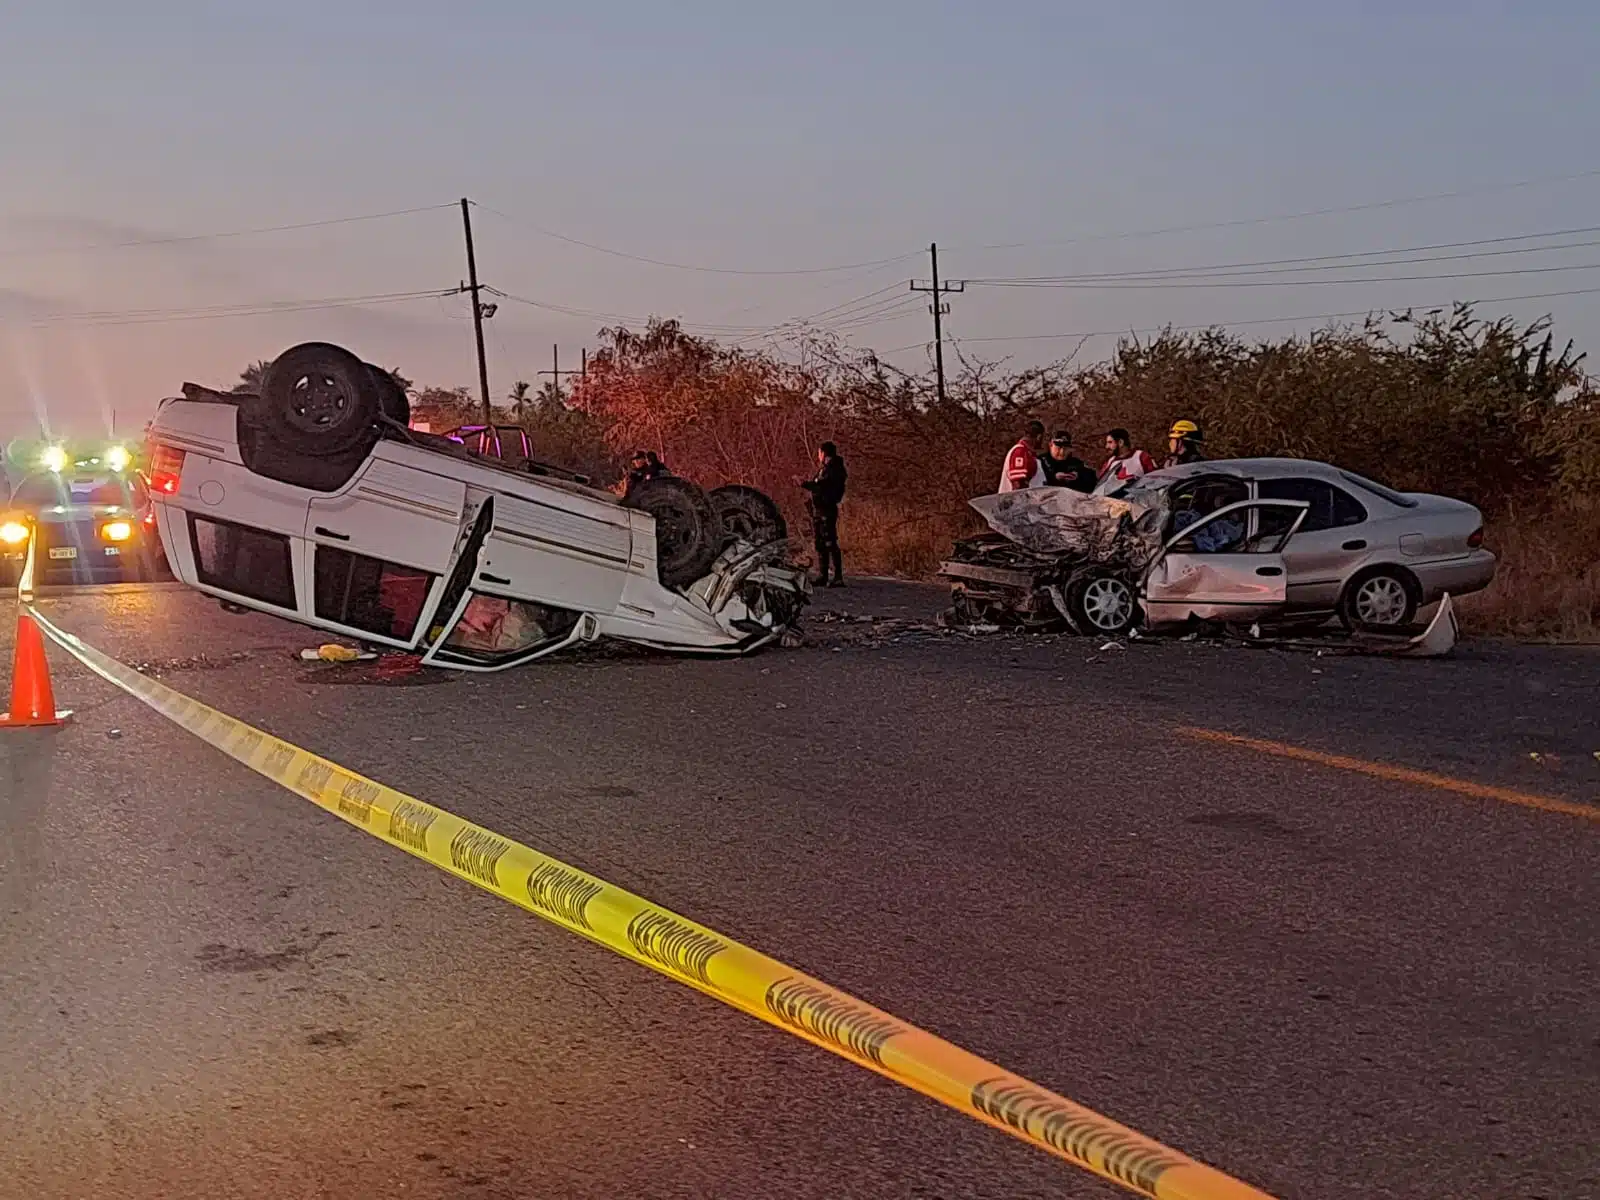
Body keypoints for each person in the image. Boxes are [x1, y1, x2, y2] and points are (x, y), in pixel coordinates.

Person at [800, 441, 848, 587]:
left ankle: (838, 576)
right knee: (820, 542)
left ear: (824, 453)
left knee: (830, 542)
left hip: (827, 509)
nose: (818, 456)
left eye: (819, 453)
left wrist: (804, 484)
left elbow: (822, 487)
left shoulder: (834, 470)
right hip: (819, 510)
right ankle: (823, 574)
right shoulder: (825, 469)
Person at [998, 420, 1047, 493]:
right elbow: (1018, 484)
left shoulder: (1029, 453)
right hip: (1017, 503)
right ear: (1039, 437)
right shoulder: (1020, 451)